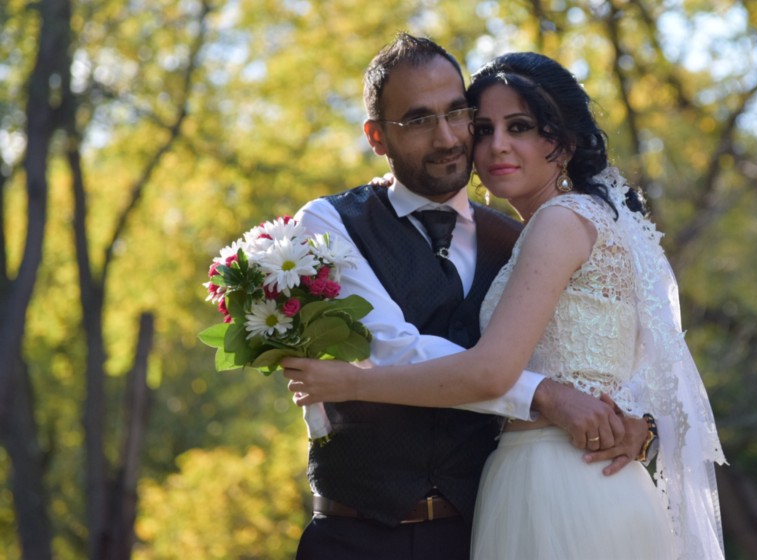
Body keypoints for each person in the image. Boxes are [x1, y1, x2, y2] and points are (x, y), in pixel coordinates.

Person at [284, 51, 728, 559]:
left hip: (527, 504)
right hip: (363, 535)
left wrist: (641, 427)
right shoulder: (334, 222)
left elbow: (641, 353)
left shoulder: (536, 234)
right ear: (377, 136)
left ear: (562, 142)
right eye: (421, 120)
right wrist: (549, 396)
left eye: (458, 115)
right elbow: (393, 348)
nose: (457, 138)